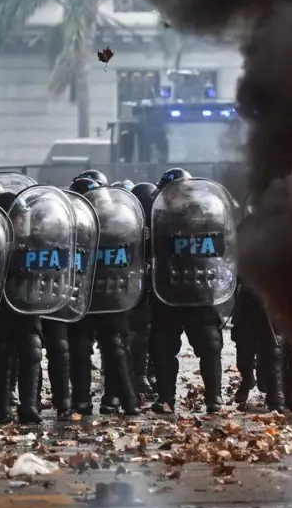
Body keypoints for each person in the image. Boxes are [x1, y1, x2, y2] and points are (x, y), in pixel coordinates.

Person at [145, 169, 225, 414]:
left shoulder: (207, 217)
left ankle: (214, 397)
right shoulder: (156, 221)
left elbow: (222, 250)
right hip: (167, 292)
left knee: (210, 345)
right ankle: (166, 398)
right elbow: (148, 255)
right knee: (162, 346)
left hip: (199, 291)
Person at [66, 177, 139, 416]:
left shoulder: (116, 225)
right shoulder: (117, 224)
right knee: (108, 347)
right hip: (98, 297)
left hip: (94, 297)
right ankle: (120, 401)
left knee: (106, 347)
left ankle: (103, 400)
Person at [0, 190, 45, 424]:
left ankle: (28, 406)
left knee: (32, 351)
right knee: (0, 356)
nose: (21, 221)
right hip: (0, 307)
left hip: (27, 305)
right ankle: (1, 406)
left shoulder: (36, 239)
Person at [127, 181, 159, 406]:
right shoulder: (128, 229)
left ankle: (149, 374)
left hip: (158, 291)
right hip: (139, 291)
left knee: (153, 335)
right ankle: (141, 375)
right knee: (141, 334)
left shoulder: (165, 226)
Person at [231, 275, 279, 412]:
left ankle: (274, 396)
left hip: (271, 309)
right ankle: (247, 379)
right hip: (246, 307)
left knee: (271, 355)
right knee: (243, 355)